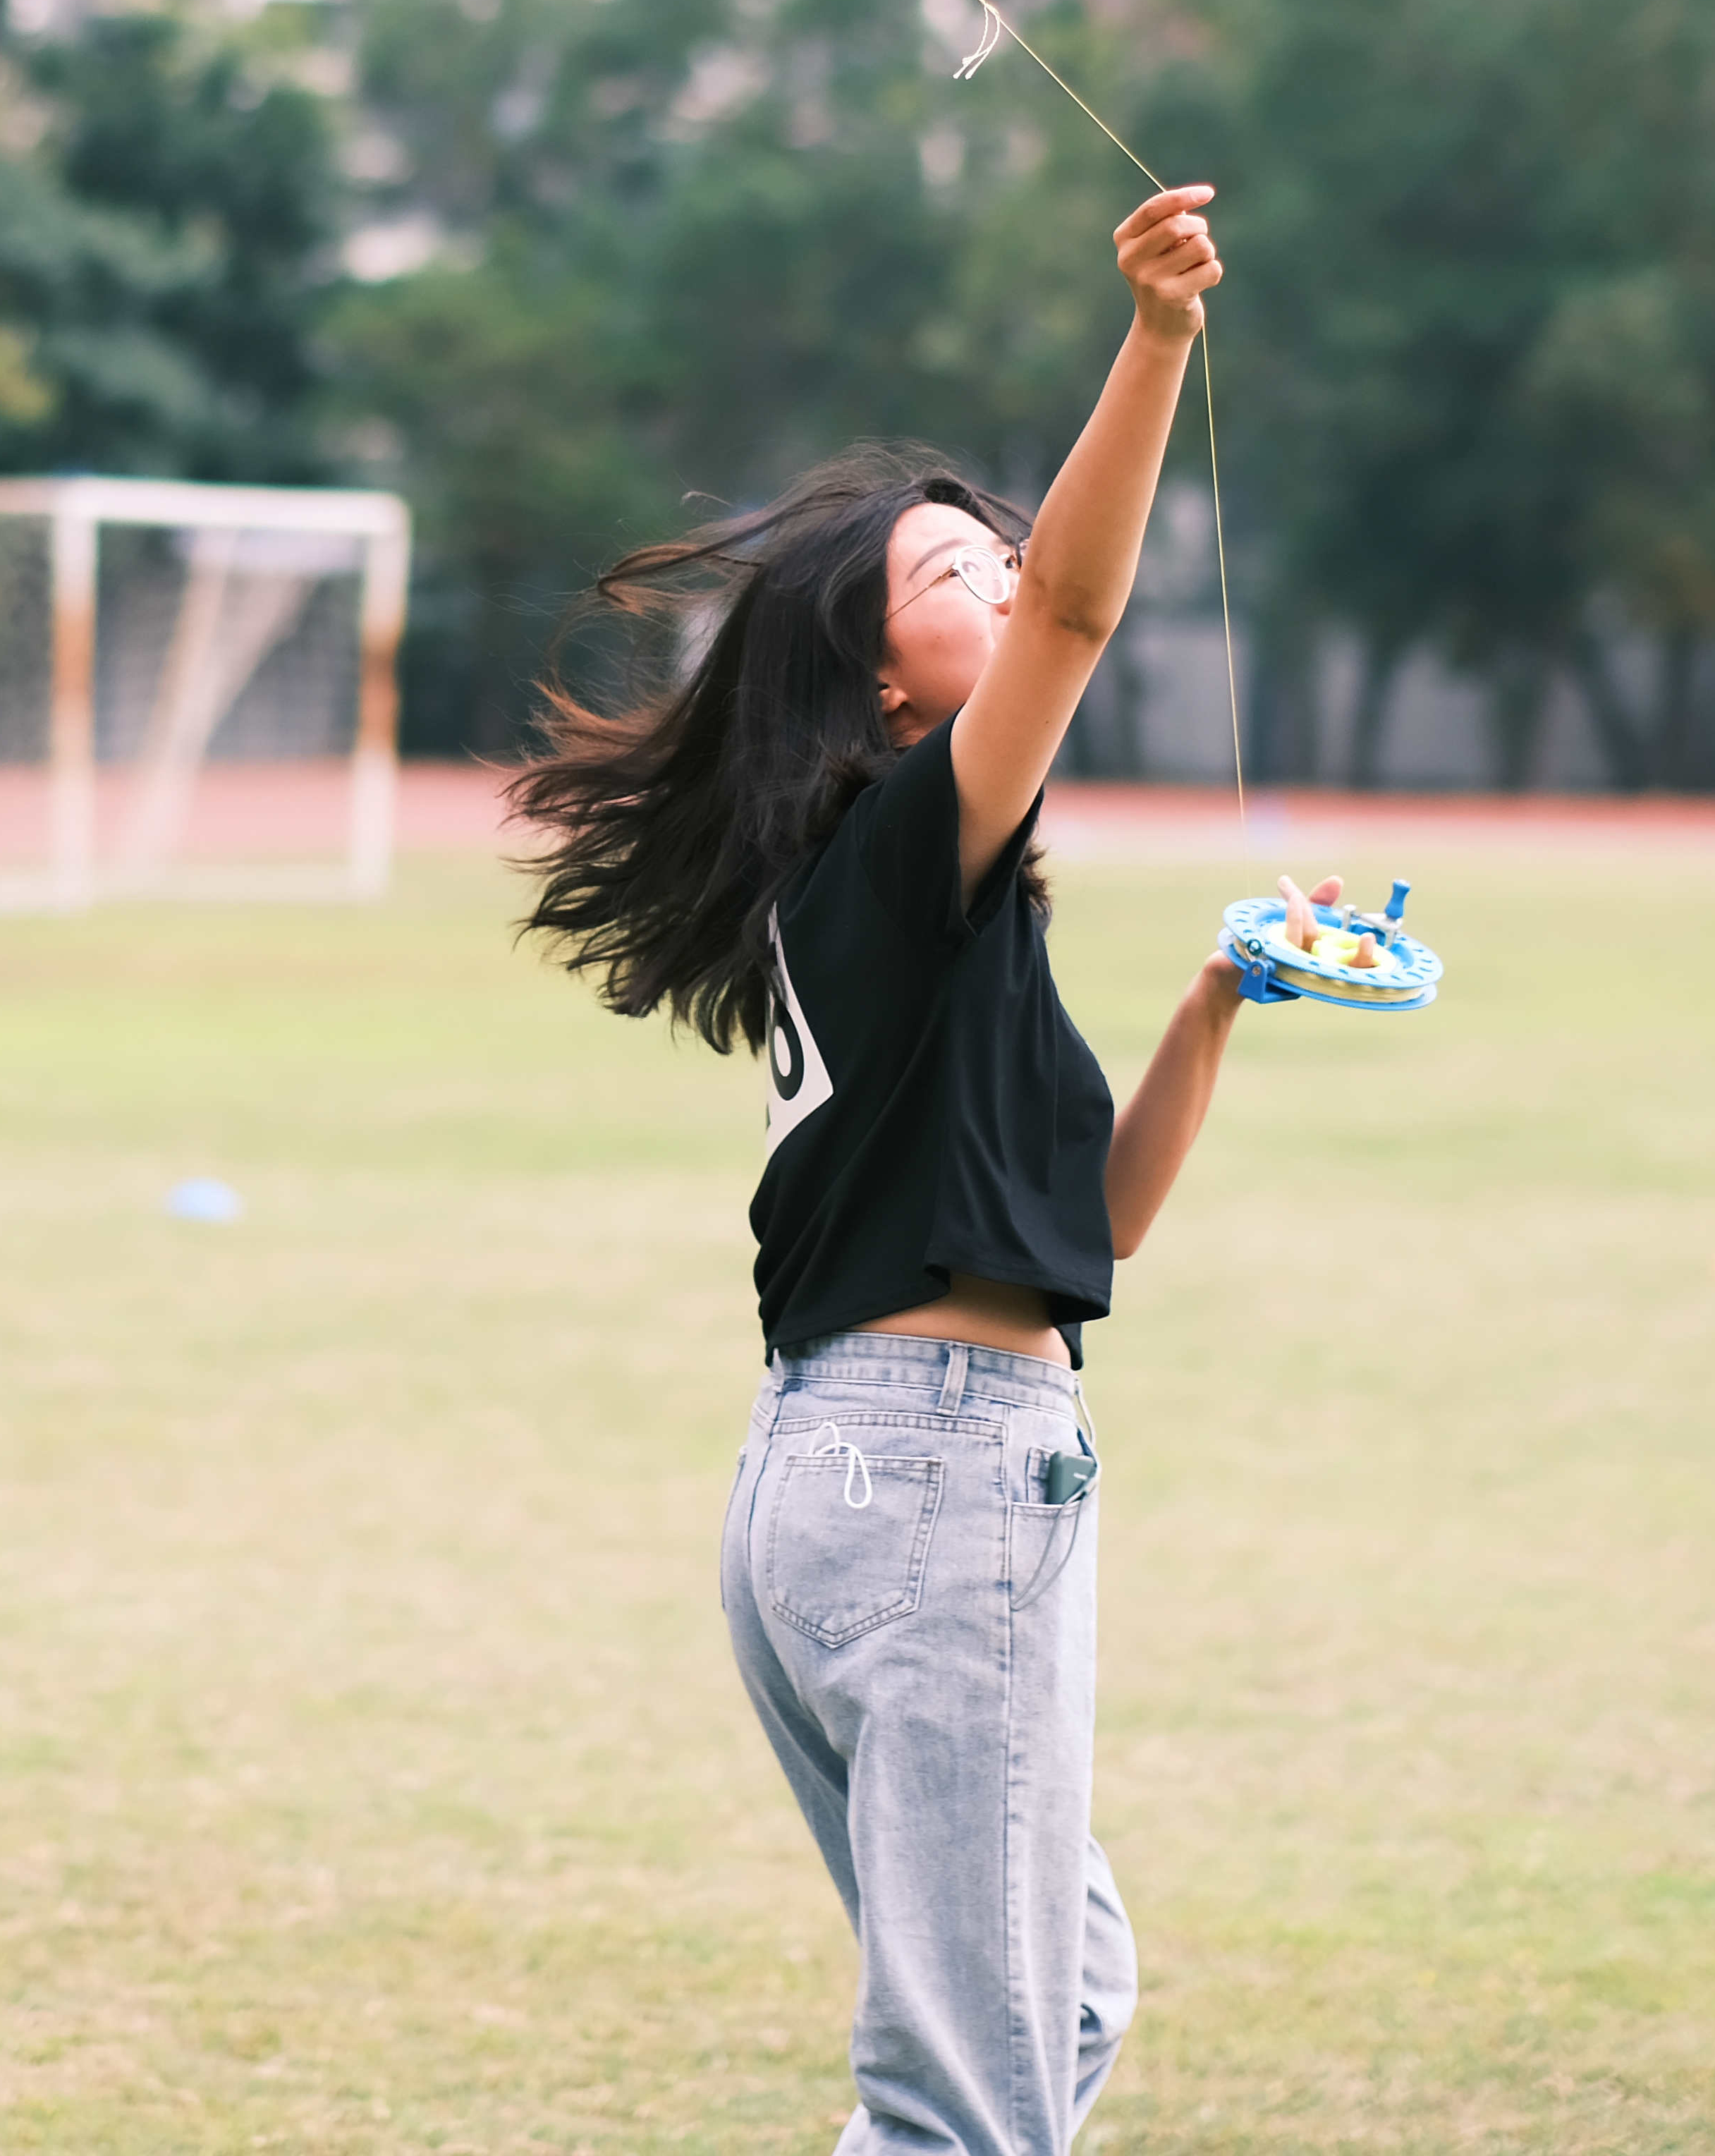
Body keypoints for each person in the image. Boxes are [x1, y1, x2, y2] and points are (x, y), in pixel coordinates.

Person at [511, 185, 1290, 2156]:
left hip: (851, 1472)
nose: (1017, 577)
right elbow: (1090, 612)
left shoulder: (928, 925)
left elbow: (1083, 1235)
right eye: (969, 569)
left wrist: (1208, 1009)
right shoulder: (889, 859)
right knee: (967, 2106)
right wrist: (1156, 340)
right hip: (933, 1476)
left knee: (1063, 2001)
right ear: (882, 680)